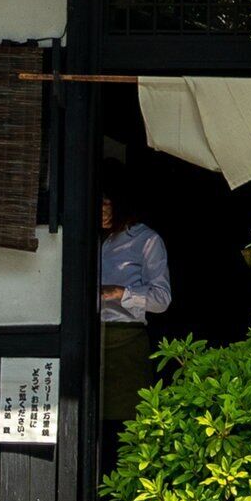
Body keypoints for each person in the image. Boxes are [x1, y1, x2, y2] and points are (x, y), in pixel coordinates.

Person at [96, 188, 173, 449]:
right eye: (99, 203)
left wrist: (120, 293)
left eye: (108, 202)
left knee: (127, 423)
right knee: (88, 416)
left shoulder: (145, 240)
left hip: (126, 339)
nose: (103, 210)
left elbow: (162, 299)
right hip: (88, 338)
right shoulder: (84, 236)